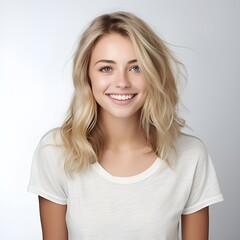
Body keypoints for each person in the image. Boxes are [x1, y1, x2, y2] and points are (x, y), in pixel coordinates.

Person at [28, 11, 223, 240]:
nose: (122, 82)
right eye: (106, 68)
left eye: (136, 67)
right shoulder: (56, 151)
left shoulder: (190, 155)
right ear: (87, 76)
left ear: (154, 74)